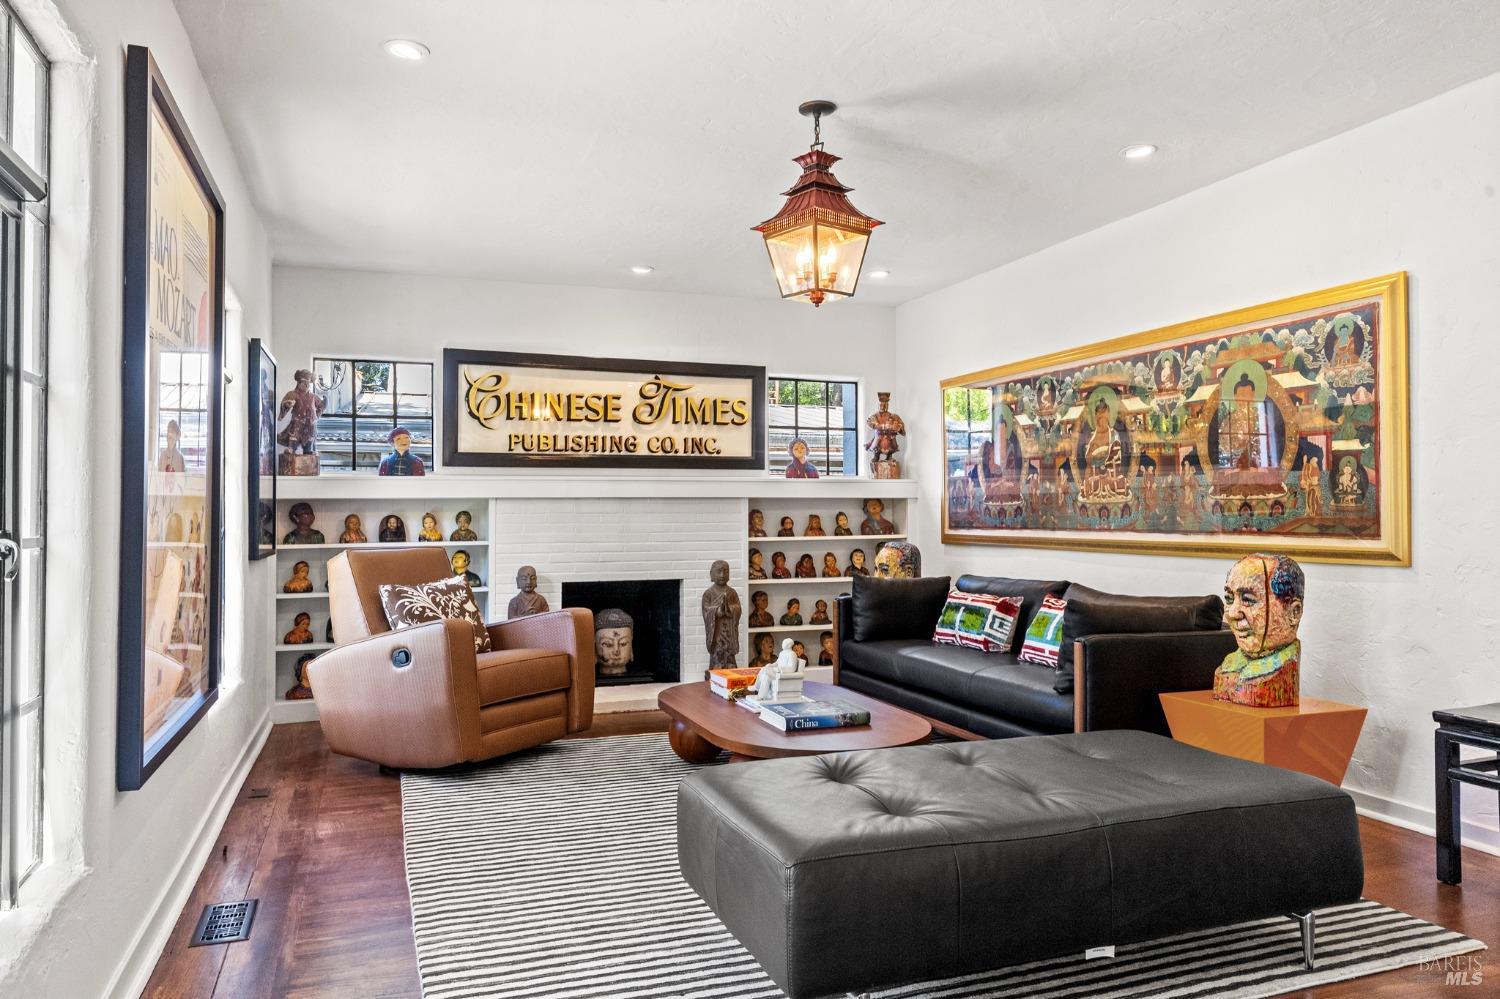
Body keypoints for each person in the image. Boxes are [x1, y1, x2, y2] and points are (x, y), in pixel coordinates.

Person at [701, 559, 741, 668]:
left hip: (729, 631)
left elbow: (738, 608)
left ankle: (730, 667)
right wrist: (717, 611)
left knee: (729, 656)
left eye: (725, 571)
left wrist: (730, 609)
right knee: (717, 654)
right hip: (717, 632)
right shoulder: (708, 594)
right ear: (712, 574)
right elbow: (706, 611)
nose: (722, 575)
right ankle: (716, 668)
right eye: (718, 572)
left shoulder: (732, 592)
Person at [864, 391, 906, 465]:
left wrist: (897, 427)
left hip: (890, 437)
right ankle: (876, 456)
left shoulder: (893, 416)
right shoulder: (874, 416)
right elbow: (870, 422)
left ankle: (889, 456)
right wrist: (881, 426)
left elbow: (901, 426)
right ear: (878, 405)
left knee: (891, 445)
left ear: (887, 405)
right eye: (881, 405)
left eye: (885, 405)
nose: (883, 407)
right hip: (879, 436)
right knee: (877, 446)